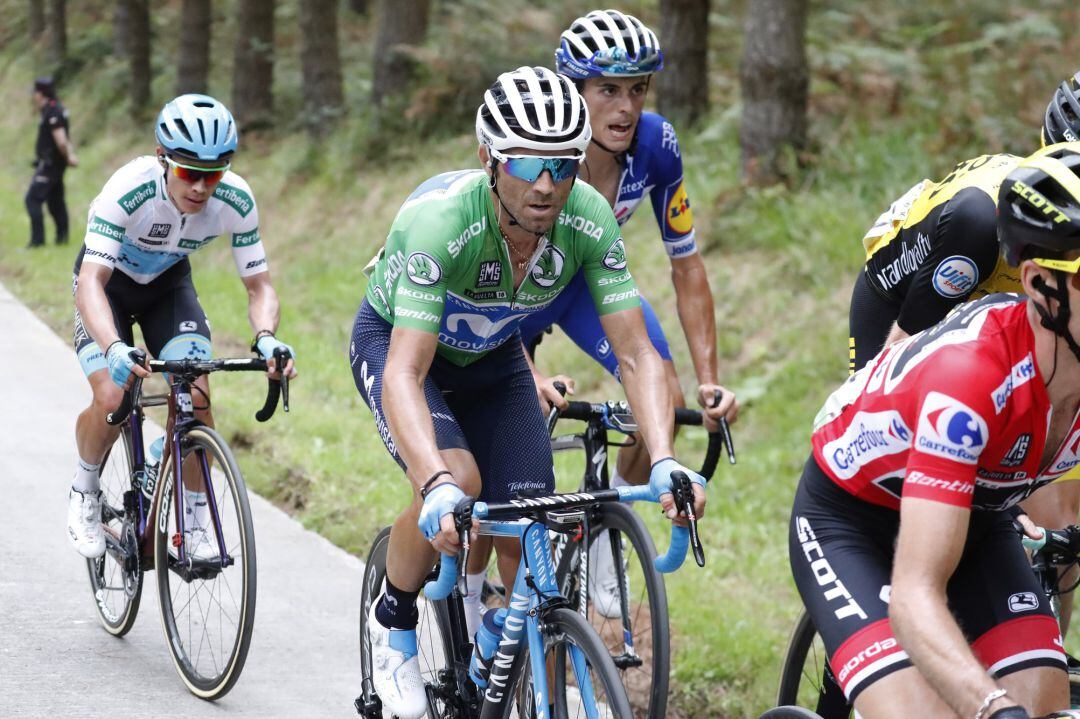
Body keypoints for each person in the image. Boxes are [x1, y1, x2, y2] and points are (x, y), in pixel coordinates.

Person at [348, 66, 706, 719]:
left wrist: (663, 459)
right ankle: (393, 621)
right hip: (403, 350)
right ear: (488, 157)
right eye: (526, 162)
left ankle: (503, 647)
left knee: (531, 516)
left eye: (563, 165)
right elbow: (404, 371)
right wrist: (433, 484)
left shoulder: (588, 220)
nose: (546, 184)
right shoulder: (441, 223)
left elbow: (636, 353)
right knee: (458, 474)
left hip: (492, 359)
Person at [789, 143, 1080, 719]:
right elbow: (915, 595)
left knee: (1045, 699)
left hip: (977, 512)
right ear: (1043, 286)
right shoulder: (970, 380)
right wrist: (990, 705)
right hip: (852, 516)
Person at [507, 8, 737, 618]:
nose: (626, 108)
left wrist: (709, 377)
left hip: (586, 284)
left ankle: (611, 523)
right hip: (511, 286)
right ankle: (496, 587)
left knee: (660, 390)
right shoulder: (538, 146)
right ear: (573, 90)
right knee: (512, 421)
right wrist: (523, 371)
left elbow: (686, 266)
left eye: (638, 90)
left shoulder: (657, 146)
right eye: (608, 89)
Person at [848, 69, 1080, 633]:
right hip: (909, 300)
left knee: (1059, 526)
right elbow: (905, 354)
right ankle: (877, 620)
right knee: (913, 488)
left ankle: (1040, 641)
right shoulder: (985, 219)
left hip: (1014, 315)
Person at [67, 94, 296, 561]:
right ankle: (84, 489)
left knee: (197, 397)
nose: (201, 187)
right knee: (113, 395)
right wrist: (113, 346)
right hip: (107, 287)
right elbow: (91, 280)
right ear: (162, 158)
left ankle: (193, 521)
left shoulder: (235, 199)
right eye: (189, 172)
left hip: (167, 287)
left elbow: (259, 286)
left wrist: (267, 337)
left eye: (213, 174)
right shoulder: (128, 190)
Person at [26, 76, 77, 248]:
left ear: (40, 94)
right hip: (53, 163)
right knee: (56, 201)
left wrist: (69, 155)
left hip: (50, 165)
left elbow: (61, 139)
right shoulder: (52, 108)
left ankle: (37, 242)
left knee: (32, 199)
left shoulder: (53, 110)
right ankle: (62, 240)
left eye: (35, 93)